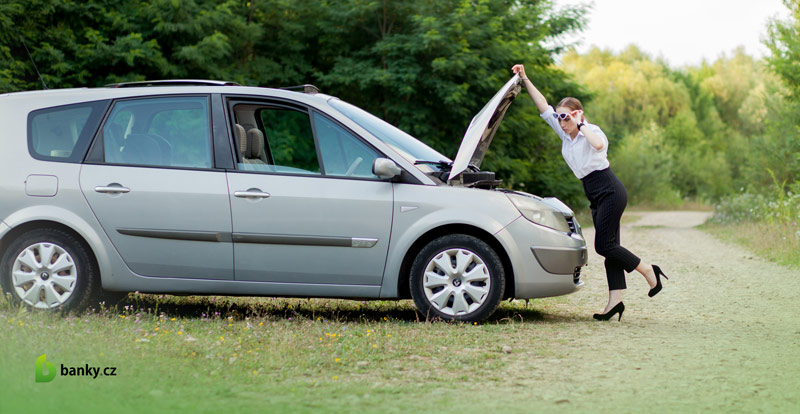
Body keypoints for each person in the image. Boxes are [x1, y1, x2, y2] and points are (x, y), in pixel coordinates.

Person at [511, 64, 668, 321]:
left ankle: (649, 270)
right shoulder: (565, 135)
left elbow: (597, 145)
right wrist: (525, 79)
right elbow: (543, 107)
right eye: (560, 118)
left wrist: (581, 124)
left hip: (610, 190)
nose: (562, 122)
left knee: (603, 245)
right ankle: (615, 302)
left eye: (567, 117)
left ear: (577, 114)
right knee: (611, 247)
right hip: (594, 193)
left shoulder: (590, 131)